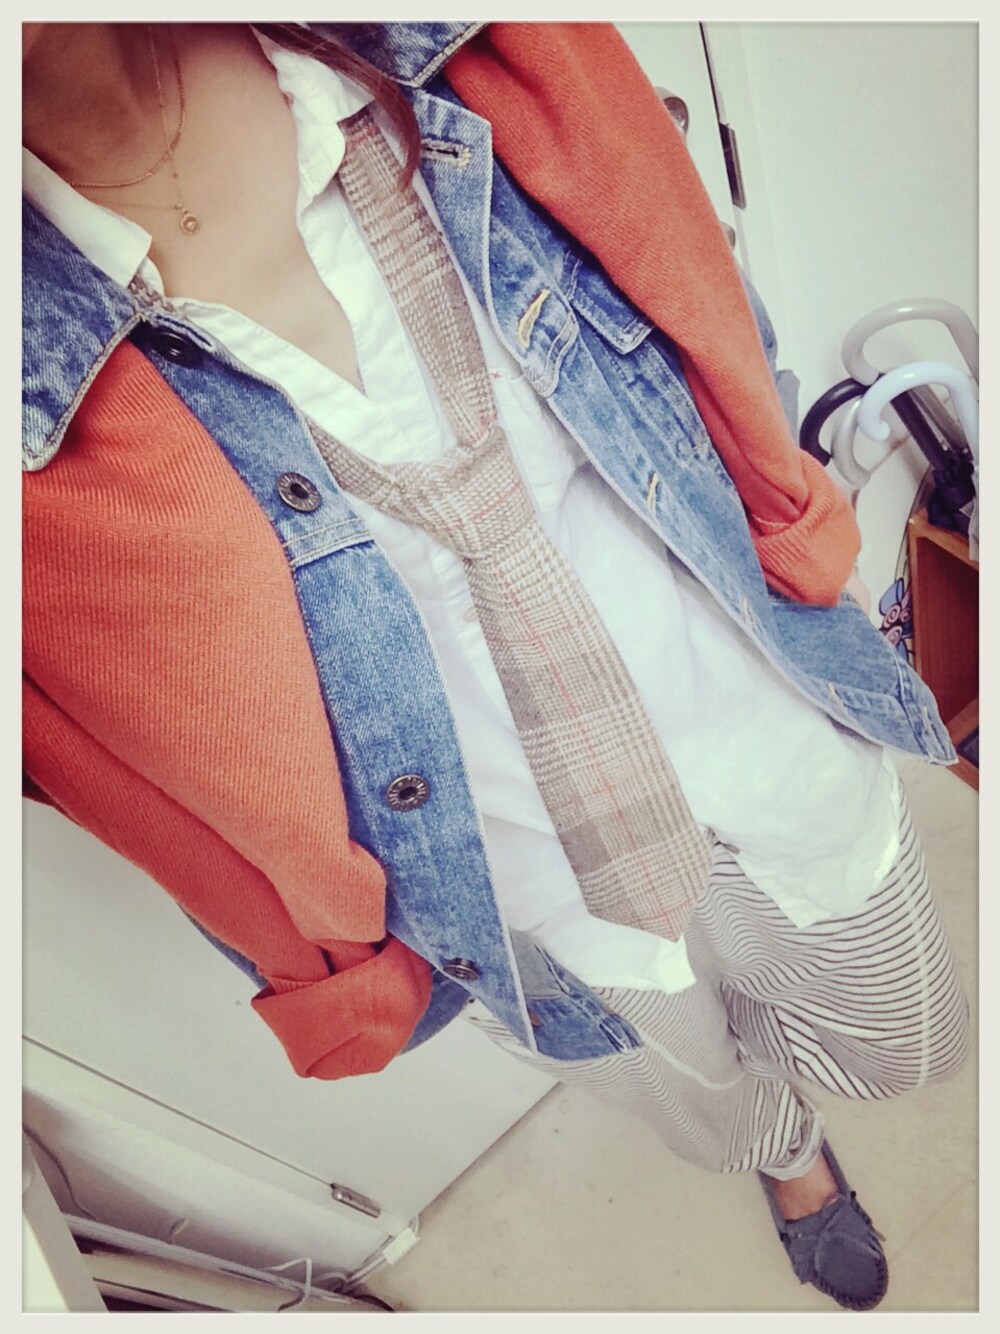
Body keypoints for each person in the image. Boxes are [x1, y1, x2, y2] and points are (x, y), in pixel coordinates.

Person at [22, 21, 970, 1313]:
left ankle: (796, 1085)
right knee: (691, 1075)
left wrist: (796, 517)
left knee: (904, 1030)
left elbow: (699, 304)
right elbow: (109, 763)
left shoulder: (461, 51)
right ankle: (787, 1156)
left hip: (756, 720)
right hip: (524, 878)